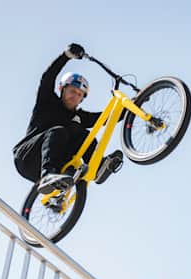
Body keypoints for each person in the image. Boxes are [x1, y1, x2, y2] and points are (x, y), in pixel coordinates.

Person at [13, 43, 123, 195]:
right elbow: (48, 77)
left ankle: (98, 167)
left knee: (86, 136)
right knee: (59, 131)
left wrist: (135, 105)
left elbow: (106, 118)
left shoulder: (79, 117)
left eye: (79, 95)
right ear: (62, 89)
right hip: (27, 157)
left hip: (56, 164)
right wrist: (66, 56)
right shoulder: (47, 101)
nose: (75, 96)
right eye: (72, 91)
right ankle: (47, 175)